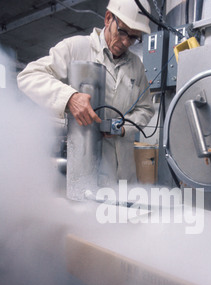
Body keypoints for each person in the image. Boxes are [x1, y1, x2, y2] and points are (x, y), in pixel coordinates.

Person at [17, 0, 155, 185]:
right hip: (82, 167)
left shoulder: (136, 66)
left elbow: (145, 109)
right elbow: (28, 76)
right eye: (122, 31)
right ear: (108, 18)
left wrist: (123, 128)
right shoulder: (76, 48)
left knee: (120, 213)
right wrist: (69, 98)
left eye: (133, 37)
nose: (125, 42)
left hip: (123, 174)